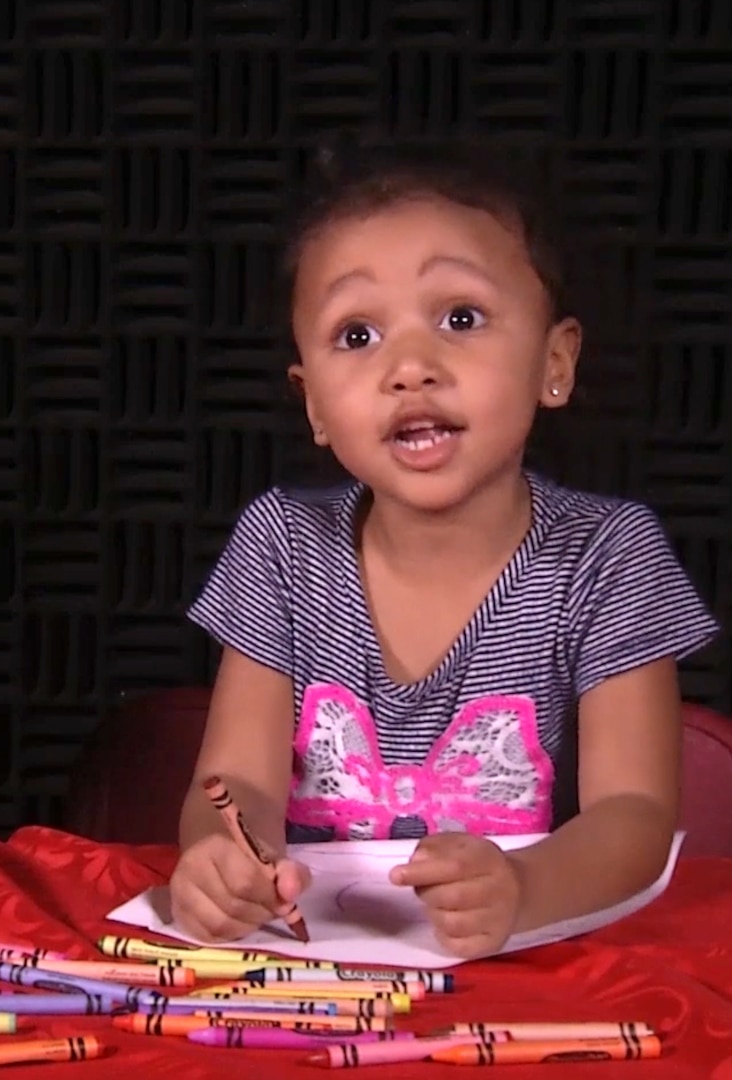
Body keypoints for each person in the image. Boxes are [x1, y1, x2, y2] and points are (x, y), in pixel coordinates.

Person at [170, 137, 720, 958]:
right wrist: (221, 859)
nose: (410, 367)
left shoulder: (611, 555)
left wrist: (526, 891)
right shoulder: (281, 543)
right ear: (313, 402)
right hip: (315, 975)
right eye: (357, 336)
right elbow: (233, 781)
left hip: (528, 970)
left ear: (555, 361)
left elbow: (635, 815)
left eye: (460, 318)